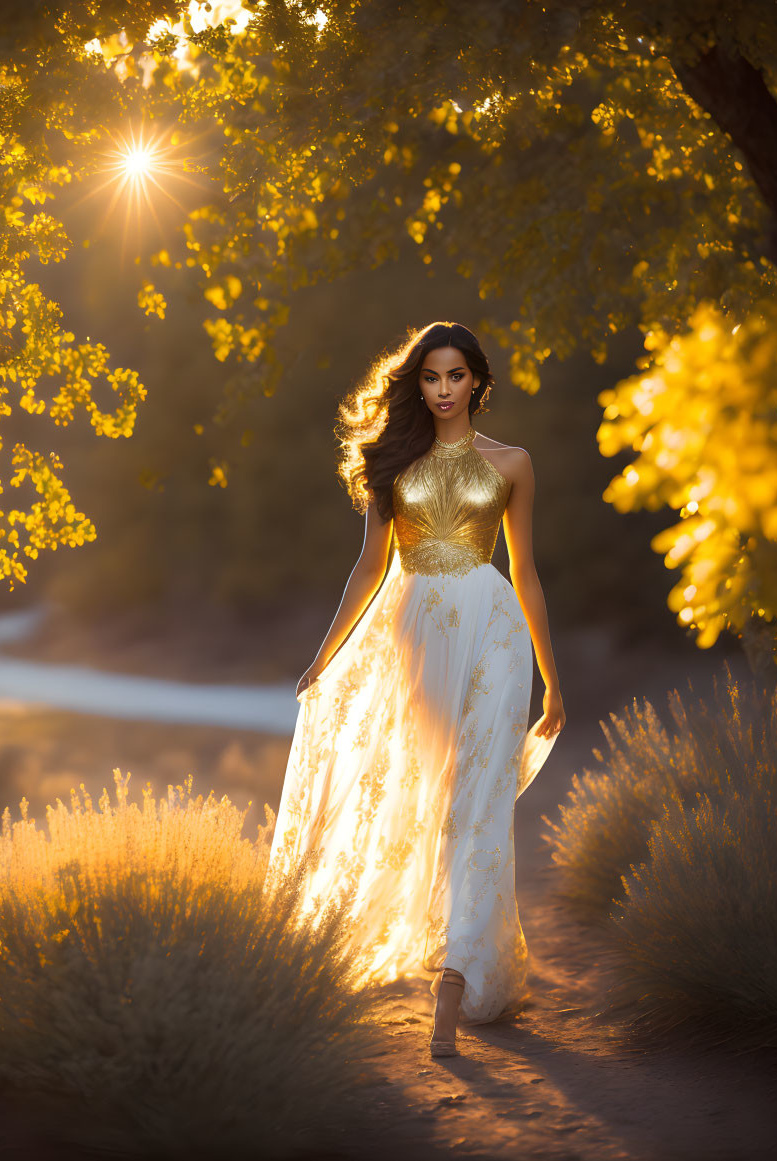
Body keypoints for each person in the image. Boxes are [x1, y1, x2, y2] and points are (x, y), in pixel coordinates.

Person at [265, 321, 565, 1058]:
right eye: (429, 377)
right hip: (416, 631)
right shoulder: (390, 462)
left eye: (454, 376)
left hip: (493, 629)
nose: (440, 390)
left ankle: (452, 984)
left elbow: (525, 573)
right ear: (416, 383)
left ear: (476, 382)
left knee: (478, 802)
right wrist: (323, 654)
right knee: (426, 795)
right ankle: (427, 949)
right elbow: (369, 567)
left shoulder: (513, 463)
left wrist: (554, 679)